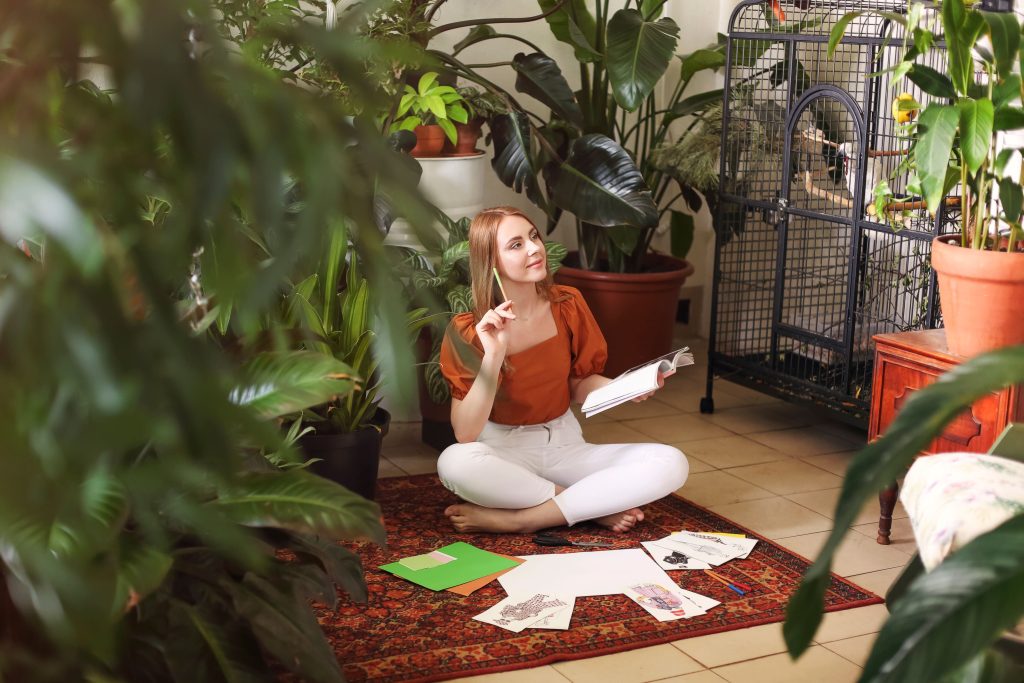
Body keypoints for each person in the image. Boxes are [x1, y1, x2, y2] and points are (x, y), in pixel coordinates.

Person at [437, 206, 688, 534]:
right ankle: (584, 505)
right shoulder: (469, 330)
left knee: (671, 462)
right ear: (490, 262)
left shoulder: (567, 304)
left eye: (533, 236)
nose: (534, 248)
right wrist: (494, 353)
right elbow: (466, 434)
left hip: (565, 445)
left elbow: (578, 383)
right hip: (503, 452)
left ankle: (524, 518)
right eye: (516, 245)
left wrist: (623, 388)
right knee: (454, 464)